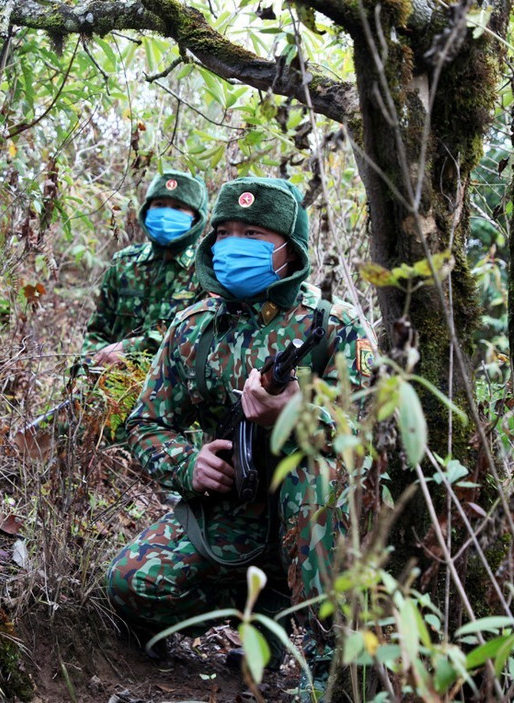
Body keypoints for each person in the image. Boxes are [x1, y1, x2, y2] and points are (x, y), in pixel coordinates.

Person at [106, 176, 374, 695]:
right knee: (131, 584)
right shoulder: (193, 327)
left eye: (253, 234)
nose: (235, 245)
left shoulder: (334, 326)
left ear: (289, 248)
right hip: (230, 512)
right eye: (225, 232)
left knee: (316, 477)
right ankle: (262, 614)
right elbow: (144, 424)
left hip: (317, 519)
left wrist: (300, 413)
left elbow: (372, 433)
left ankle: (330, 668)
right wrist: (189, 464)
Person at [80, 170, 209, 369]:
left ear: (196, 218)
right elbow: (97, 330)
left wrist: (128, 349)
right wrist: (87, 370)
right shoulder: (124, 263)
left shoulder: (205, 271)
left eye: (178, 207)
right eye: (159, 204)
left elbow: (192, 336)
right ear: (147, 210)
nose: (166, 214)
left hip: (170, 382)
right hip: (110, 380)